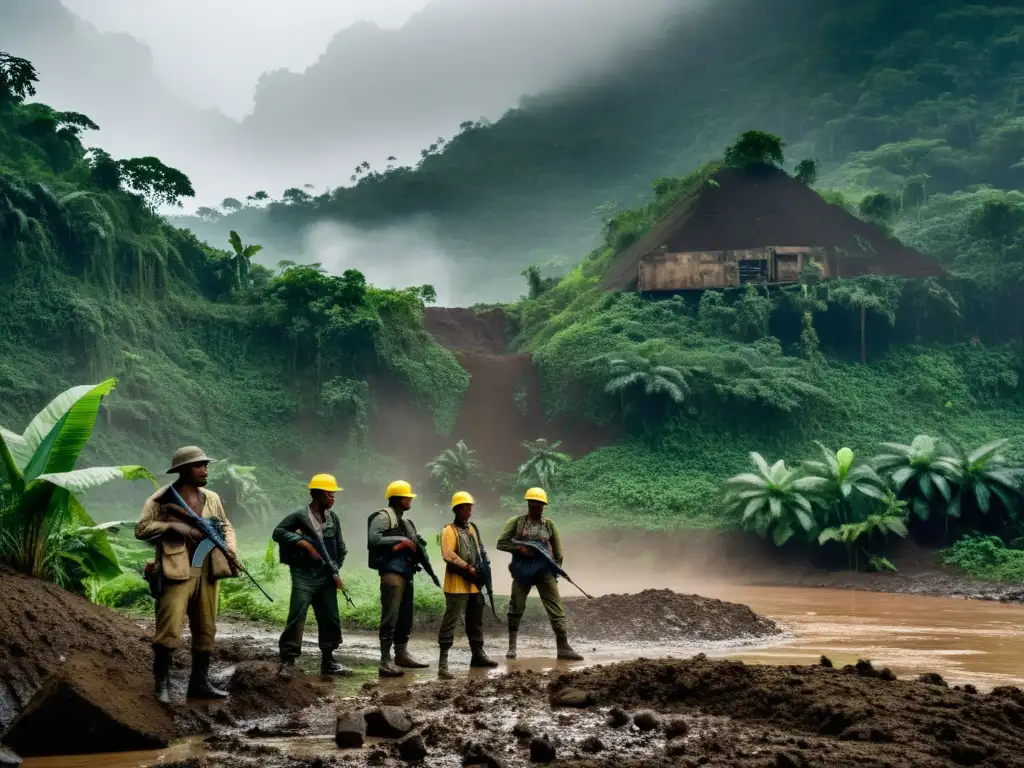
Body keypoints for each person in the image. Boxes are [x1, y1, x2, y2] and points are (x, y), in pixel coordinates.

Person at [136, 446, 238, 704]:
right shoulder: (160, 500)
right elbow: (142, 529)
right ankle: (162, 684)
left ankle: (199, 683)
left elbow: (225, 527)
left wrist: (231, 551)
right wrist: (174, 526)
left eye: (205, 465)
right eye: (199, 466)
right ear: (183, 470)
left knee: (206, 628)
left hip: (208, 569)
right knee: (169, 629)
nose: (205, 470)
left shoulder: (212, 498)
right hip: (176, 569)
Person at [273, 473, 353, 680]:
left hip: (325, 575)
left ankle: (329, 660)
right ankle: (288, 661)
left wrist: (335, 568)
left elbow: (341, 546)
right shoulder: (300, 514)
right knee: (297, 615)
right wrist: (302, 542)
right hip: (304, 575)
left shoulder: (333, 518)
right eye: (330, 494)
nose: (333, 498)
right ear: (317, 494)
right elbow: (278, 532)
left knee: (330, 617)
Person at [496, 487, 583, 662]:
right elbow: (501, 543)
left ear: (544, 506)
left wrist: (556, 570)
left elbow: (558, 552)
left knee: (556, 608)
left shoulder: (549, 525)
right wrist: (519, 549)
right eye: (534, 504)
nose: (537, 507)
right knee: (516, 607)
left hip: (544, 571)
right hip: (522, 571)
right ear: (528, 504)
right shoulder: (516, 523)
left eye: (540, 505)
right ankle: (512, 647)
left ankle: (563, 647)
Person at [367, 480, 435, 676]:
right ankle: (385, 660)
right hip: (391, 572)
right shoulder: (382, 517)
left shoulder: (405, 522)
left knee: (405, 616)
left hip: (406, 572)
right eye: (407, 497)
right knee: (390, 616)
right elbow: (373, 539)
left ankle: (401, 654)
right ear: (398, 498)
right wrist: (402, 541)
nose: (410, 500)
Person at [436, 491, 498, 679]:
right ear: (457, 509)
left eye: (471, 508)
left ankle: (478, 654)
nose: (470, 512)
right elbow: (448, 554)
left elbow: (479, 552)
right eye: (466, 508)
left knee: (475, 620)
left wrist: (482, 570)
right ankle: (443, 664)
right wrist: (468, 568)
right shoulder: (449, 530)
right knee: (450, 621)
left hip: (473, 585)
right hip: (456, 584)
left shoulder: (471, 529)